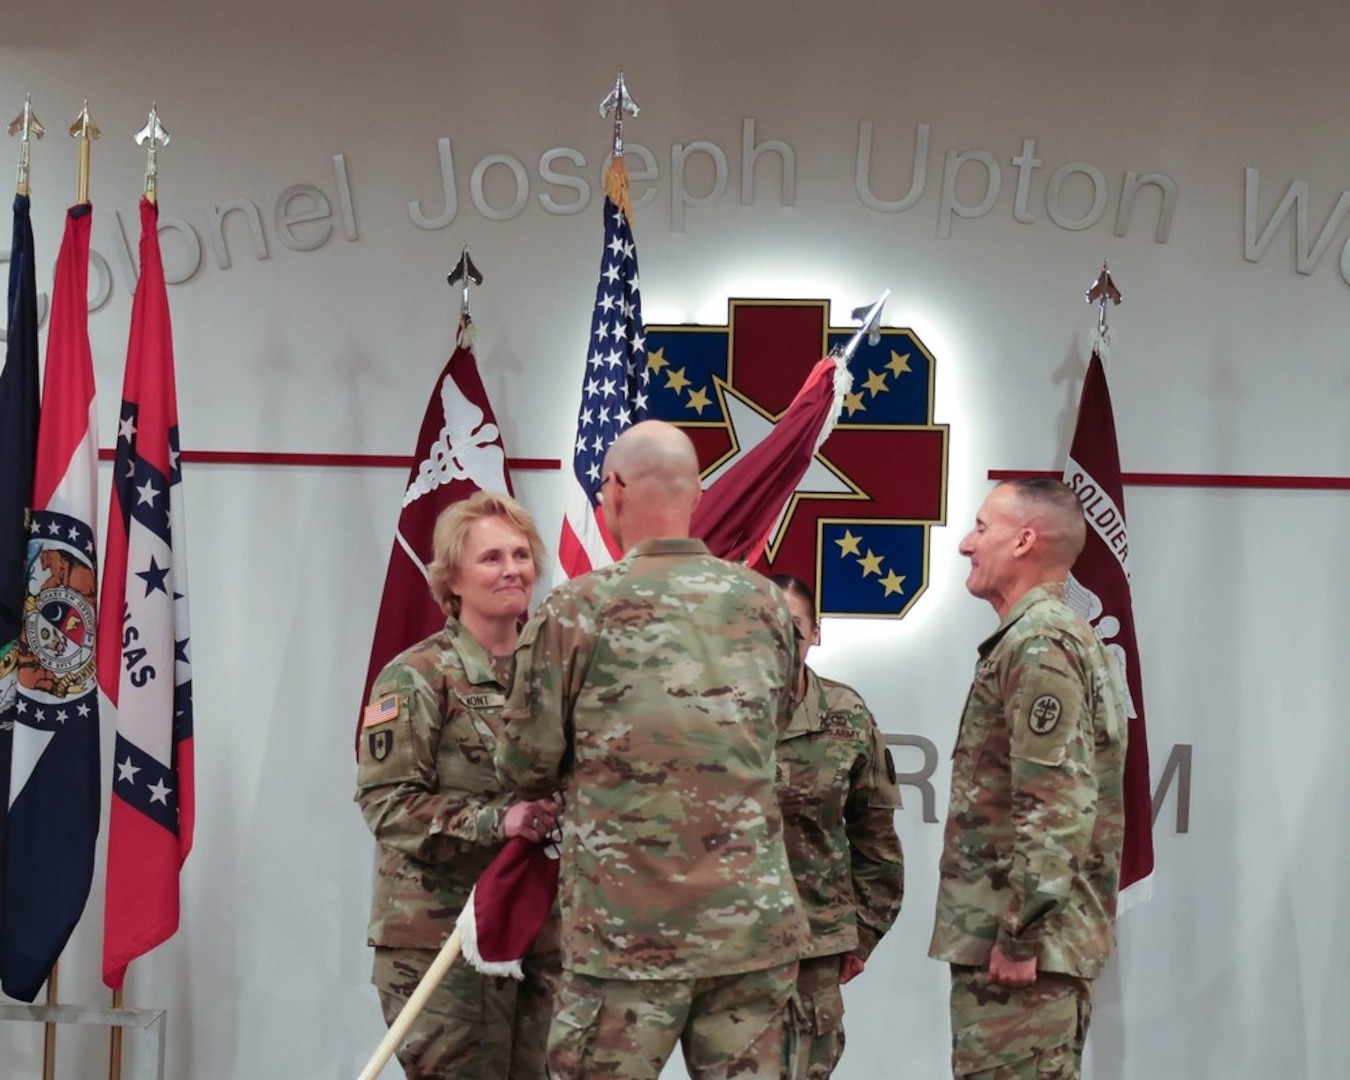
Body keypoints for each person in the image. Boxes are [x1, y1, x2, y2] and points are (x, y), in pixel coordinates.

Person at [496, 419, 808, 1080]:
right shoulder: (765, 605)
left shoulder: (577, 610)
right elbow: (775, 727)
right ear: (696, 492)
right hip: (748, 935)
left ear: (611, 491)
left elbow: (526, 764)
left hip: (624, 936)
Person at [356, 490, 562, 1080]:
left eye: (521, 555)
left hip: (539, 932)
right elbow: (387, 804)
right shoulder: (418, 676)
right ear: (452, 579)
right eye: (491, 558)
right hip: (441, 941)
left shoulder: (553, 674)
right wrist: (500, 820)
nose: (511, 570)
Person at [929, 478, 1128, 1080]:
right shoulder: (1040, 638)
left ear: (1024, 541)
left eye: (981, 528)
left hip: (1024, 960)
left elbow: (1057, 805)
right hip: (1029, 949)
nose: (966, 543)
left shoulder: (1040, 644)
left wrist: (1019, 935)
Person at [769, 574, 905, 1080]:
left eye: (794, 628)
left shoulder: (846, 715)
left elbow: (876, 838)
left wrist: (861, 935)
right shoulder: (714, 713)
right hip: (727, 950)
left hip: (814, 950)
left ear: (816, 633)